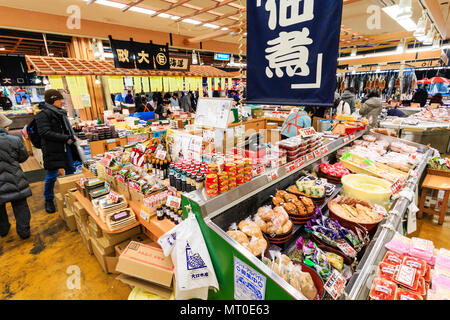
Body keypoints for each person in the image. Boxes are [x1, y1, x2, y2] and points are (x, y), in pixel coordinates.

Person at [35, 89, 81, 213]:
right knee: (52, 175)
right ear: (53, 100)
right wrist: (66, 138)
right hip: (53, 150)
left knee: (70, 170)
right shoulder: (43, 115)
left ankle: (70, 194)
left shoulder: (61, 113)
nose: (62, 102)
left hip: (66, 148)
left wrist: (74, 131)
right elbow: (44, 133)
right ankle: (48, 199)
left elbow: (63, 130)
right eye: (60, 99)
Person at [0, 114, 32, 239]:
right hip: (14, 178)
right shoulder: (14, 140)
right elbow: (23, 157)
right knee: (20, 205)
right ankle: (24, 231)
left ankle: (3, 230)